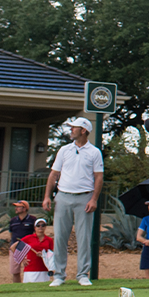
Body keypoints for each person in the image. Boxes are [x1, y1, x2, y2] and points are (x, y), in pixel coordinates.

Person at [42, 117, 105, 287]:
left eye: (74, 128)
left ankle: (83, 275)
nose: (71, 130)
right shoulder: (64, 150)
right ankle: (59, 275)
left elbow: (99, 177)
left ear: (83, 130)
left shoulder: (94, 152)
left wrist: (94, 199)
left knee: (84, 238)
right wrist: (47, 196)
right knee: (60, 237)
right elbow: (54, 174)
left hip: (85, 197)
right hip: (63, 196)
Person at [7, 200, 36, 282]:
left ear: (24, 208)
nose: (16, 208)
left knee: (30, 269)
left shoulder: (32, 219)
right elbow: (11, 234)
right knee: (15, 271)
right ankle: (17, 288)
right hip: (15, 248)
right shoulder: (13, 220)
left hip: (27, 247)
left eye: (18, 206)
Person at [19, 218, 55, 284]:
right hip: (30, 268)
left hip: (44, 268)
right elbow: (15, 247)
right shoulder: (28, 238)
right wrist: (22, 258)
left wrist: (43, 254)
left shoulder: (49, 240)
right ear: (35, 228)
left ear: (45, 227)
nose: (40, 227)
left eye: (43, 225)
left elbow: (51, 254)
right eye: (38, 225)